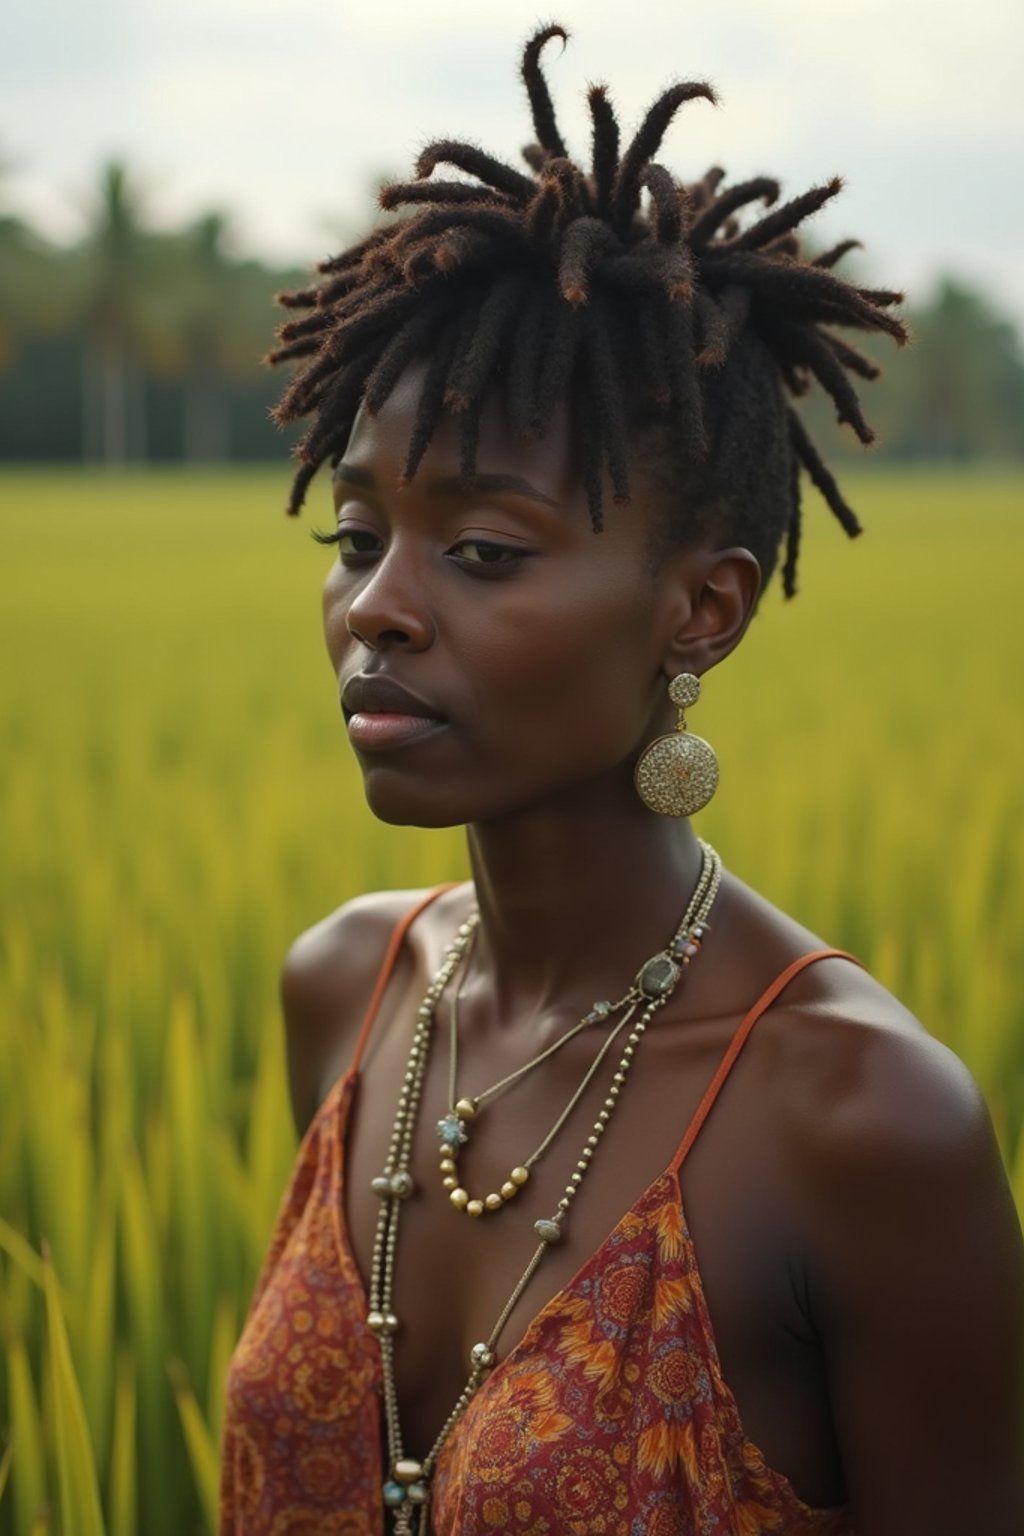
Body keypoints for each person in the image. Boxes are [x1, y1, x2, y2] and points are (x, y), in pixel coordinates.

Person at [219, 24, 1024, 1536]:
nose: (377, 607)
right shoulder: (345, 987)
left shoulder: (861, 1122)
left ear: (700, 610)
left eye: (482, 551)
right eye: (353, 539)